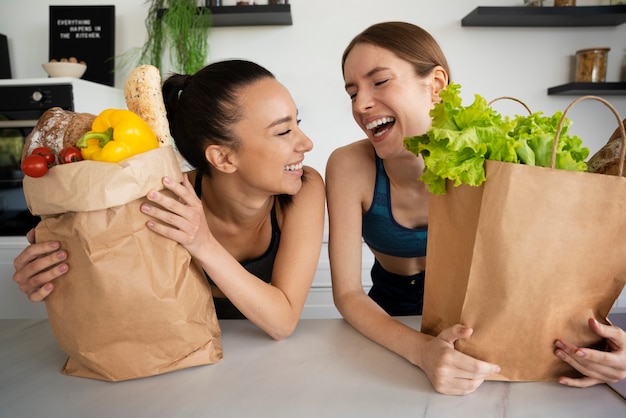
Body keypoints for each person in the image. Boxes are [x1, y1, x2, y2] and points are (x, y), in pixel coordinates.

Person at [325, 21, 626, 395]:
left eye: (379, 82)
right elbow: (349, 295)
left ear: (436, 84)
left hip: (482, 329)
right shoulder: (348, 166)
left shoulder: (499, 160)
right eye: (351, 92)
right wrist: (421, 351)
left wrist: (600, 343)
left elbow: (549, 276)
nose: (361, 104)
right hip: (388, 325)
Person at [12, 59, 326, 341]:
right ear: (223, 157)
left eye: (298, 123)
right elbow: (115, 300)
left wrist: (201, 243)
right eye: (284, 131)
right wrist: (57, 271)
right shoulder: (159, 198)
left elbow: (282, 322)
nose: (307, 143)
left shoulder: (304, 189)